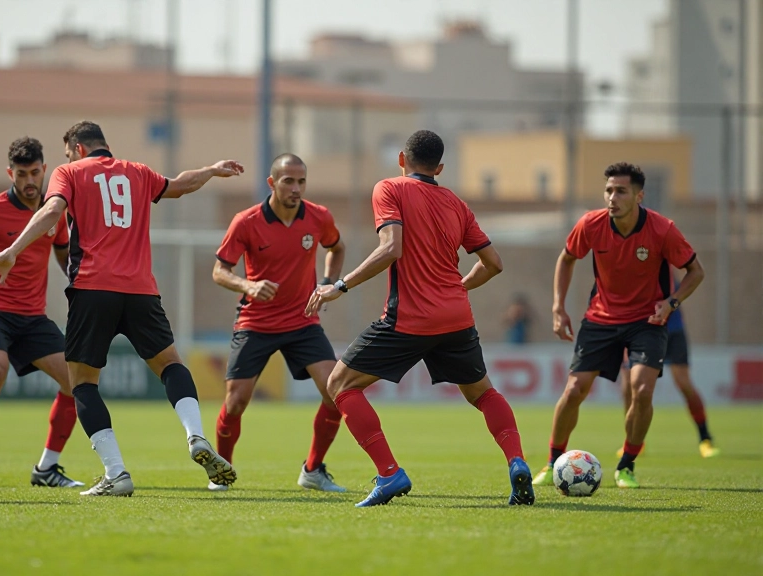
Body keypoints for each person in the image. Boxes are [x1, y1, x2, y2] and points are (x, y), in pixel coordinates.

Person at [0, 121, 244, 497]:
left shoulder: (69, 173)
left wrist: (12, 250)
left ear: (78, 149)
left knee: (82, 383)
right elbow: (180, 185)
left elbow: (52, 211)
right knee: (171, 365)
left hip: (92, 289)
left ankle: (116, 473)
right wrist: (212, 170)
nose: (67, 159)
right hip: (141, 291)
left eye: (68, 153)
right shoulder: (138, 172)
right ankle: (195, 435)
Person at [305, 130, 534, 508]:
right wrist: (457, 287)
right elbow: (493, 264)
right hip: (456, 318)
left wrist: (340, 285)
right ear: (439, 168)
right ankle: (517, 461)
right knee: (482, 393)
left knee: (340, 384)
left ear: (401, 159)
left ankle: (389, 473)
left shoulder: (389, 189)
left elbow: (391, 248)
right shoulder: (457, 204)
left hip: (409, 318)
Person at [532, 162, 705, 490]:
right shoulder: (591, 224)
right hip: (600, 318)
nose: (612, 197)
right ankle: (553, 460)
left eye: (621, 191)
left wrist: (671, 303)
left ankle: (627, 464)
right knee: (574, 390)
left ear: (639, 196)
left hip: (647, 321)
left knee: (641, 390)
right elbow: (566, 258)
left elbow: (696, 271)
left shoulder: (662, 229)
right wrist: (558, 307)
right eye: (609, 190)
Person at [0, 137, 85, 489]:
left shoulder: (54, 211)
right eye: (21, 174)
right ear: (10, 173)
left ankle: (47, 468)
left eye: (35, 173)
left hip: (32, 316)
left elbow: (63, 254)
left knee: (76, 381)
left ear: (44, 170)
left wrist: (80, 284)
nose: (29, 181)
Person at [212, 153, 347, 493]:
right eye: (288, 181)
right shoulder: (246, 221)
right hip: (255, 322)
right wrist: (248, 286)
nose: (296, 188)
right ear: (272, 183)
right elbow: (219, 271)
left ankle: (313, 470)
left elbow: (337, 247)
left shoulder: (318, 216)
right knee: (235, 402)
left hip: (303, 322)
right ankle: (221, 472)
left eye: (301, 181)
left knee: (337, 392)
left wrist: (327, 283)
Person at [617, 268, 719, 459]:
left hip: (671, 329)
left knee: (683, 383)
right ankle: (633, 441)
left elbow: (681, 279)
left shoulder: (661, 259)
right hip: (637, 330)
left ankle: (705, 438)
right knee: (628, 386)